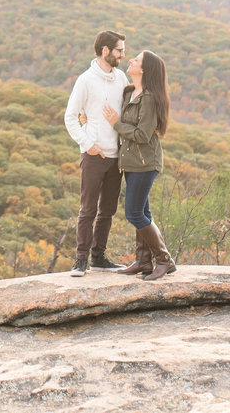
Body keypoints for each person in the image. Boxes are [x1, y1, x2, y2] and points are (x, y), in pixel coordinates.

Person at [103, 49, 176, 280]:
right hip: (131, 162)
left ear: (143, 69)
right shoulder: (129, 93)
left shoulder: (150, 99)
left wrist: (116, 124)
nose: (131, 60)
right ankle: (143, 261)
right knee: (143, 211)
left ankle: (164, 259)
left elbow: (143, 135)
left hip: (146, 162)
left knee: (134, 212)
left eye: (136, 59)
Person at [63, 30, 127, 276]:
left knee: (108, 211)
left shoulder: (121, 78)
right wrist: (87, 143)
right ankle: (80, 260)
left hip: (116, 156)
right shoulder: (86, 80)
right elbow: (70, 117)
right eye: (119, 50)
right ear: (105, 51)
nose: (122, 54)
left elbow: (128, 110)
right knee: (88, 209)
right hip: (93, 155)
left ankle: (98, 257)